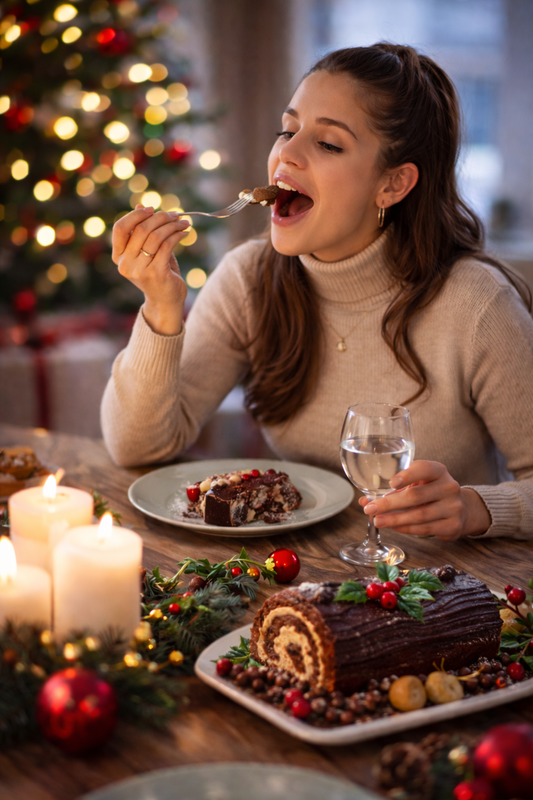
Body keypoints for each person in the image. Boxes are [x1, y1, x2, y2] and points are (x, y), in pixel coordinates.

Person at [102, 43, 533, 542]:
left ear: (393, 184)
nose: (286, 151)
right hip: (296, 579)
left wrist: (476, 507)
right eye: (288, 130)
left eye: (328, 144)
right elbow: (136, 449)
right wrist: (160, 306)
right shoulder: (248, 278)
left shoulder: (477, 303)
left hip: (442, 592)